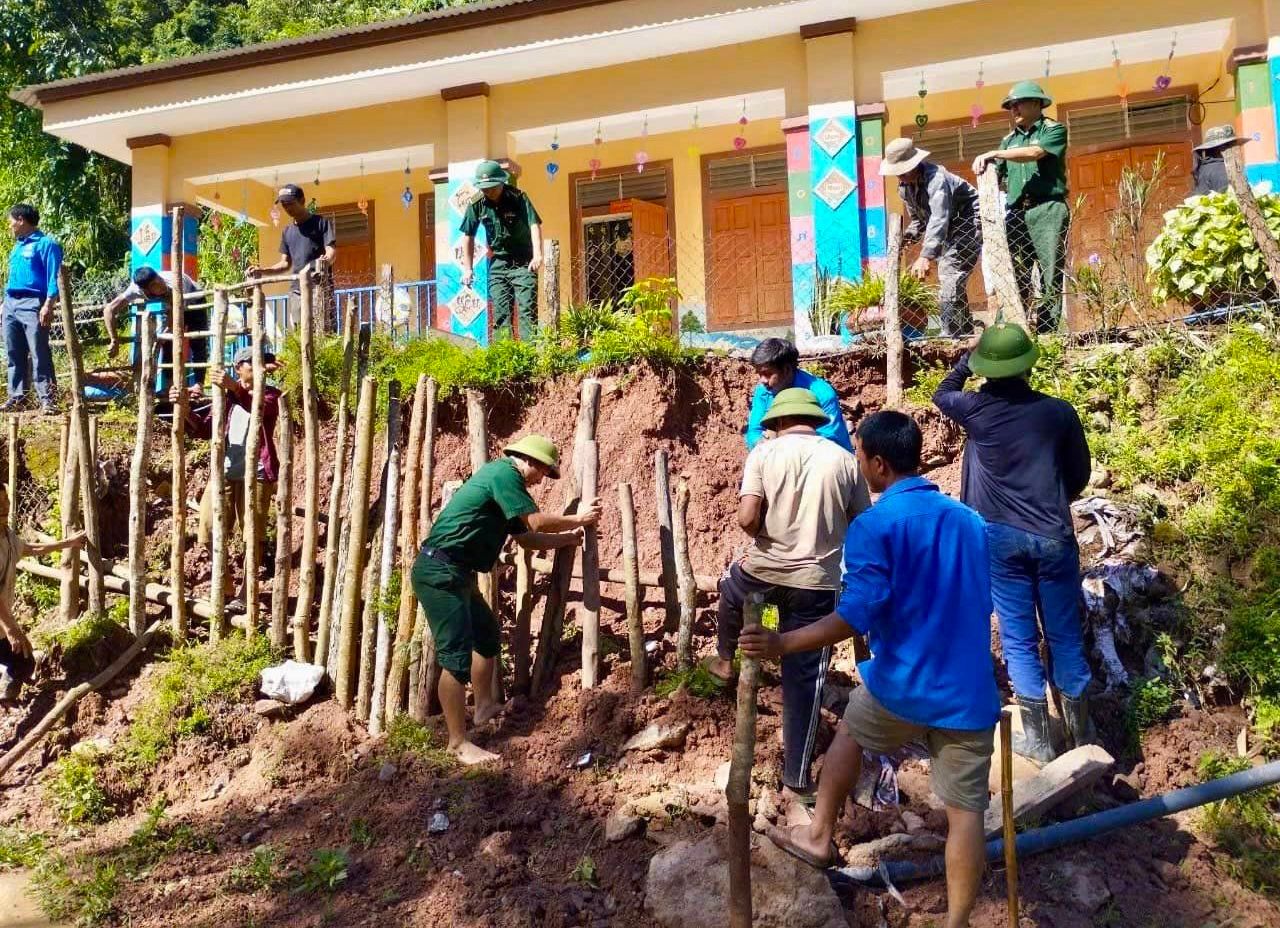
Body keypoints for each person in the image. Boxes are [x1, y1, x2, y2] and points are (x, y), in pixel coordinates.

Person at [741, 411, 999, 928]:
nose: (858, 464)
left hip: (902, 685)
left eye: (860, 456)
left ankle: (817, 836)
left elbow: (856, 612)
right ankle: (957, 922)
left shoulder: (874, 526)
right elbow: (980, 600)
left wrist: (782, 642)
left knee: (850, 737)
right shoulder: (970, 522)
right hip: (968, 692)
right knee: (966, 815)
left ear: (879, 464)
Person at [933, 323, 1092, 763]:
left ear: (987, 369)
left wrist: (966, 358)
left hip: (999, 540)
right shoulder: (1058, 412)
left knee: (1019, 639)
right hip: (1053, 536)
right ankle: (1084, 738)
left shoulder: (976, 409)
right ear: (1027, 365)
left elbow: (942, 392)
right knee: (1064, 636)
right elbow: (1079, 475)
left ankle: (1040, 742)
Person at [705, 387, 869, 802]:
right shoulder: (845, 460)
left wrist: (763, 532)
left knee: (730, 588)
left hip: (763, 572)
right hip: (818, 583)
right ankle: (795, 776)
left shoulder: (763, 454)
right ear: (818, 421)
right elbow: (863, 522)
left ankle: (726, 660)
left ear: (776, 422)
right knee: (805, 682)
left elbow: (746, 518)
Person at [412, 435, 599, 765]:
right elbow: (536, 521)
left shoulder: (503, 485)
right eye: (543, 472)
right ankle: (457, 743)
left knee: (486, 636)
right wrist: (578, 519)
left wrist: (568, 538)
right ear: (529, 461)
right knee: (454, 657)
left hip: (457, 572)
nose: (542, 480)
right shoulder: (504, 475)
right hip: (441, 572)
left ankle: (483, 708)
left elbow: (527, 539)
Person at [172, 344, 281, 611]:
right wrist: (185, 409)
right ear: (239, 368)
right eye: (253, 362)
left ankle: (246, 593)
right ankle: (227, 587)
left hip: (255, 474)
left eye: (263, 362)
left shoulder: (271, 395)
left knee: (251, 536)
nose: (261, 367)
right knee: (208, 529)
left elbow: (259, 410)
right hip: (223, 473)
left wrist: (234, 388)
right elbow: (205, 428)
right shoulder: (227, 399)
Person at [972, 81, 1070, 334]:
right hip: (1017, 212)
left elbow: (1036, 153)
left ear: (1037, 104)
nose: (1013, 109)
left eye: (1018, 103)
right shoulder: (1008, 141)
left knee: (1050, 273)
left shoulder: (1053, 130)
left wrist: (995, 153)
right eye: (1010, 105)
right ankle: (1013, 330)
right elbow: (997, 174)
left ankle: (1048, 333)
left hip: (1047, 209)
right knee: (1015, 272)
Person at [881, 137, 981, 338]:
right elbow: (920, 220)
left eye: (902, 171)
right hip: (947, 230)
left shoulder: (936, 179)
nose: (899, 176)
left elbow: (939, 217)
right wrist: (905, 240)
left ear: (914, 164)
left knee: (950, 274)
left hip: (968, 222)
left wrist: (925, 256)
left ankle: (948, 335)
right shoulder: (905, 188)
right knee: (953, 281)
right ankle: (966, 333)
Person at [0, 485, 87, 704]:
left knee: (25, 660)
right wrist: (12, 628)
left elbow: (29, 549)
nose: (3, 506)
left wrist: (68, 543)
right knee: (22, 659)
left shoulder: (7, 536)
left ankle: (5, 697)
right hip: (3, 625)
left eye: (5, 500)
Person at [459, 161, 544, 341]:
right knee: (501, 312)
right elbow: (468, 236)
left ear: (501, 183)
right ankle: (504, 358)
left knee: (526, 310)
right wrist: (468, 268)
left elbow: (534, 224)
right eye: (483, 188)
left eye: (491, 187)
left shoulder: (518, 197)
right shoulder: (477, 204)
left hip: (523, 261)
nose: (487, 191)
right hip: (498, 263)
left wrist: (537, 255)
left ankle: (530, 358)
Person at [248, 184, 337, 324]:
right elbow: (285, 264)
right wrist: (262, 270)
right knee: (300, 330)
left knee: (322, 329)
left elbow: (331, 251)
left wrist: (326, 260)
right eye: (284, 205)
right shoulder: (287, 232)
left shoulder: (321, 223)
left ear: (302, 201)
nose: (288, 208)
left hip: (318, 286)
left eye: (290, 203)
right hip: (297, 290)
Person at [3, 204, 62, 414]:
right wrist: (4, 303)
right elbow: (12, 278)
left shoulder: (47, 244)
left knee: (39, 351)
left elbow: (54, 277)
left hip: (33, 303)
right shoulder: (17, 246)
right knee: (13, 351)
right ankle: (17, 397)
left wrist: (48, 304)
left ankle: (48, 399)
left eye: (11, 220)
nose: (9, 225)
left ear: (21, 220)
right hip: (11, 303)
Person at [103, 265, 206, 384]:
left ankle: (199, 384)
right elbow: (109, 310)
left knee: (197, 341)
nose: (161, 284)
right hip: (173, 307)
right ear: (146, 290)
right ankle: (169, 386)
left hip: (194, 298)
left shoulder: (174, 282)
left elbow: (176, 311)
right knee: (168, 343)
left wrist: (168, 329)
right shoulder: (135, 290)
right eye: (155, 285)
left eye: (159, 279)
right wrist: (114, 339)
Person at [745, 338, 851, 451]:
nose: (762, 380)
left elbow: (829, 442)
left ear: (786, 370)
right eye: (759, 374)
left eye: (767, 374)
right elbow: (754, 432)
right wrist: (760, 444)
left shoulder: (822, 394)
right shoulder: (764, 391)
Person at [1191, 125, 1248, 197]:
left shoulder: (1203, 168)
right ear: (1224, 149)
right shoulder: (1224, 170)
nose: (1237, 150)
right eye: (1233, 146)